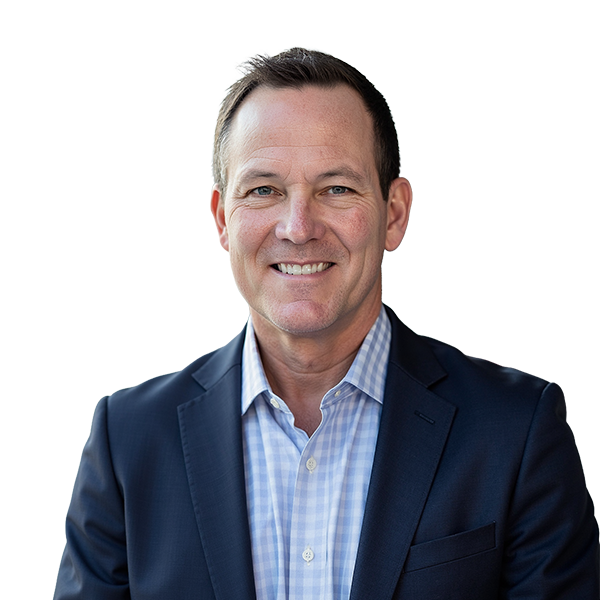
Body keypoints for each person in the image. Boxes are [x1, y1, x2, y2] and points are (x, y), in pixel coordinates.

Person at [54, 47, 600, 599]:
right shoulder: (128, 443)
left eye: (336, 188)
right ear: (222, 219)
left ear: (394, 214)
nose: (298, 227)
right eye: (263, 190)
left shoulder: (516, 432)